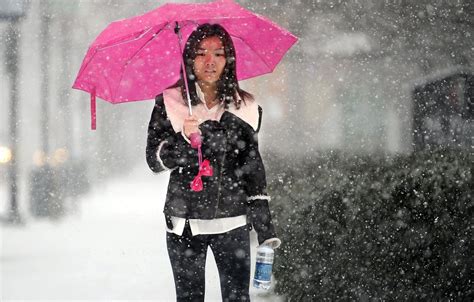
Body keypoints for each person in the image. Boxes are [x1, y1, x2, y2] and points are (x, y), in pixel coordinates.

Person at [146, 23, 280, 302]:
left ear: (229, 59)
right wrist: (184, 138)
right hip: (184, 224)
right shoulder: (170, 103)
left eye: (218, 53)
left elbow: (253, 169)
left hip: (232, 223)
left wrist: (264, 227)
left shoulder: (245, 107)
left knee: (236, 298)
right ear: (189, 59)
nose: (210, 61)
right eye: (202, 53)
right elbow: (155, 160)